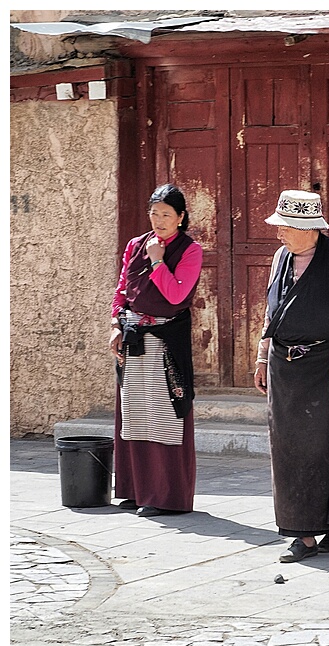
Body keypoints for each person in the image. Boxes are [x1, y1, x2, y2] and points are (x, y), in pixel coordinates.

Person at [254, 189, 329, 563]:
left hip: (326, 367)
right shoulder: (281, 258)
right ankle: (302, 534)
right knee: (288, 451)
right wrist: (261, 358)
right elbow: (272, 313)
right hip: (283, 367)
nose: (279, 234)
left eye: (285, 227)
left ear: (308, 228)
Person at [109, 183, 203, 516]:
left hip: (167, 341)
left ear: (181, 217)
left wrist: (159, 262)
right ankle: (135, 490)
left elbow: (177, 296)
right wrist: (116, 325)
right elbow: (122, 291)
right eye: (154, 213)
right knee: (134, 415)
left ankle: (166, 497)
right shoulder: (135, 245)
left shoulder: (189, 250)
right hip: (135, 337)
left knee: (165, 415)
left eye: (166, 214)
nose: (159, 220)